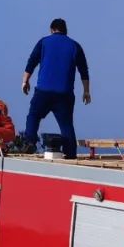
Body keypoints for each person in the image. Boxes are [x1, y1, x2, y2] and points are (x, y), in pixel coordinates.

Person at [21, 18, 90, 159]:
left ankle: (30, 142)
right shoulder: (75, 46)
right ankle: (70, 154)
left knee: (33, 116)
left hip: (43, 92)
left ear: (52, 30)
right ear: (65, 31)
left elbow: (31, 61)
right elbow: (84, 70)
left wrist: (25, 81)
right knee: (66, 125)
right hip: (64, 94)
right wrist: (86, 91)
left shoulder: (44, 42)